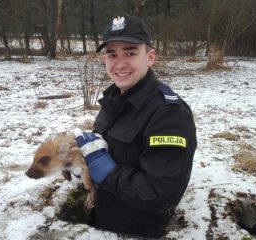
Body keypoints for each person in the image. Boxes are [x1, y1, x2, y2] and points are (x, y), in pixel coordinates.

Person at [74, 14, 197, 239]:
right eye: (112, 54)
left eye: (130, 52)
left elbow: (161, 195)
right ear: (105, 59)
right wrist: (82, 163)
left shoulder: (168, 114)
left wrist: (107, 172)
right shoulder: (114, 101)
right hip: (103, 217)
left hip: (135, 230)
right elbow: (110, 152)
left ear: (150, 57)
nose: (120, 64)